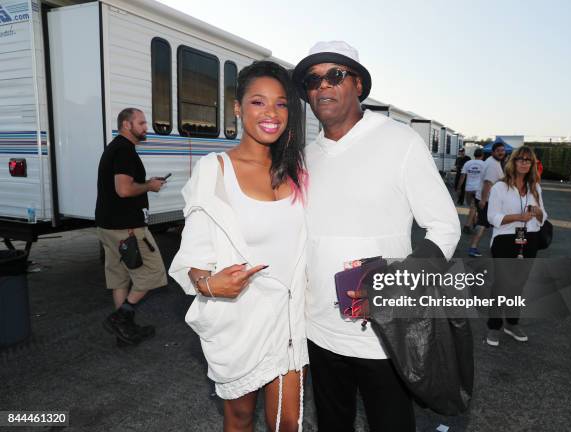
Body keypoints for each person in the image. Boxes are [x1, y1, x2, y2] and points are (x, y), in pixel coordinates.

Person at [292, 41, 460, 432]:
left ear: (358, 85)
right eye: (313, 80)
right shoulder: (304, 155)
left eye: (335, 75)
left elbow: (445, 226)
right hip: (317, 329)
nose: (323, 86)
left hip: (383, 331)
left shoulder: (399, 142)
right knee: (333, 424)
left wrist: (394, 285)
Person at [169, 61, 308, 432]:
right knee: (240, 418)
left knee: (288, 423)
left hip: (290, 319)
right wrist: (211, 285)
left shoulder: (297, 171)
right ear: (237, 108)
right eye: (258, 102)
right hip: (240, 320)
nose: (271, 113)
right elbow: (195, 257)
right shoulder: (214, 170)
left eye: (281, 104)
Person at [96, 108, 168, 346]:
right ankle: (121, 317)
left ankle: (123, 333)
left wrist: (147, 183)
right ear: (127, 125)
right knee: (153, 272)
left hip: (108, 225)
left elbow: (123, 185)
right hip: (127, 227)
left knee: (119, 278)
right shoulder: (125, 151)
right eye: (142, 123)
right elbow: (124, 190)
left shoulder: (115, 148)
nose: (146, 127)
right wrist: (149, 186)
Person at [486, 146, 547, 346]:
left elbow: (544, 216)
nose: (523, 162)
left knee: (519, 284)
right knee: (502, 283)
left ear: (532, 164)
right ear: (513, 161)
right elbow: (492, 216)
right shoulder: (499, 187)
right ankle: (494, 326)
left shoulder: (535, 187)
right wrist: (517, 217)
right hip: (505, 239)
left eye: (528, 160)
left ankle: (512, 323)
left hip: (530, 238)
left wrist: (537, 212)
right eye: (520, 159)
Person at [470, 142, 506, 257]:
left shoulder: (492, 161)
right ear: (493, 152)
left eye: (502, 150)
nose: (501, 152)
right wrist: (483, 200)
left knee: (487, 223)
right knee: (484, 225)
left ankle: (493, 245)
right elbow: (487, 184)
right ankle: (473, 248)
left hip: (486, 199)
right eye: (498, 150)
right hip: (487, 200)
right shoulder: (492, 165)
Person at [457, 148, 484, 235]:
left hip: (468, 189)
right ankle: (470, 224)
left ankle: (471, 225)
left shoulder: (468, 163)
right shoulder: (485, 164)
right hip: (478, 189)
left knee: (472, 207)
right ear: (482, 155)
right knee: (473, 208)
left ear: (474, 155)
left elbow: (462, 176)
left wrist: (459, 187)